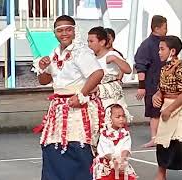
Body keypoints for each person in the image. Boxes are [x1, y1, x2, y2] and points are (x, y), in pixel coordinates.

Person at [32, 15, 104, 180]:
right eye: (60, 30)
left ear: (74, 30)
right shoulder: (54, 53)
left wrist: (82, 94)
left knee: (78, 148)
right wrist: (43, 68)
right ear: (55, 33)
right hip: (59, 108)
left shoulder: (81, 51)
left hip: (79, 107)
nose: (64, 33)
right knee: (53, 148)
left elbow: (98, 73)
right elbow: (44, 81)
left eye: (68, 29)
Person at [153, 35, 182, 180]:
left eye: (162, 49)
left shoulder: (181, 69)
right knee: (163, 142)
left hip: (180, 108)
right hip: (167, 105)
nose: (159, 52)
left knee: (180, 143)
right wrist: (157, 96)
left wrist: (169, 109)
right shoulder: (164, 68)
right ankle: (161, 173)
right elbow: (161, 89)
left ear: (173, 51)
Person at [134, 15, 168, 148]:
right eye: (165, 27)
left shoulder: (165, 43)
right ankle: (154, 137)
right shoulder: (147, 45)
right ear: (157, 28)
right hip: (152, 83)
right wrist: (141, 86)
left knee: (165, 109)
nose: (166, 30)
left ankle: (164, 135)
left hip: (165, 83)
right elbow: (141, 66)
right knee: (154, 112)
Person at [87, 26, 132, 122]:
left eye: (91, 41)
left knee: (112, 121)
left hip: (110, 95)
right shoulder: (91, 57)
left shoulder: (112, 55)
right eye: (88, 42)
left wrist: (115, 59)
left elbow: (128, 70)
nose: (89, 45)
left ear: (102, 42)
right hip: (95, 96)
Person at [92, 104, 137, 180]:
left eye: (123, 116)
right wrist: (114, 160)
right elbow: (106, 152)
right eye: (118, 117)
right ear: (109, 118)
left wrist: (122, 160)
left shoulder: (125, 134)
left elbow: (126, 148)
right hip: (107, 165)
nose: (121, 119)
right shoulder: (104, 135)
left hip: (121, 163)